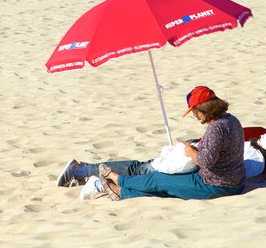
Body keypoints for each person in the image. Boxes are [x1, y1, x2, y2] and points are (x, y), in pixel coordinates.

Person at [57, 130, 266, 198]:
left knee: (142, 166)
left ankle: (86, 171)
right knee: (142, 171)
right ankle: (81, 169)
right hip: (194, 161)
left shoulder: (246, 139)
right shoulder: (256, 164)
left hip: (196, 147)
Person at [95, 86, 245, 201]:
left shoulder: (215, 128)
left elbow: (205, 161)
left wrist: (189, 151)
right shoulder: (231, 119)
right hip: (233, 181)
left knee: (159, 179)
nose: (195, 116)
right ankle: (121, 192)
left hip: (216, 185)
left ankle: (119, 180)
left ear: (204, 109)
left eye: (195, 112)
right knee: (168, 187)